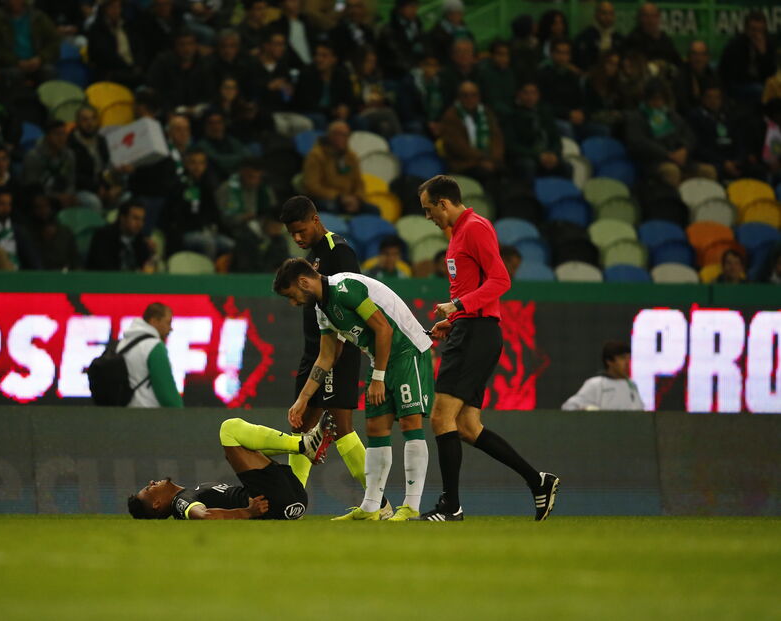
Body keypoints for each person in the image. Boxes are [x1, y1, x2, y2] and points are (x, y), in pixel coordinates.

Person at [416, 175, 558, 521]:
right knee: (465, 426)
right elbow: (477, 287)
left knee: (440, 417)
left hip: (476, 333)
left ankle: (451, 506)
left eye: (428, 209)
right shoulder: (460, 233)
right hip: (470, 328)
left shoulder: (475, 228)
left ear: (444, 203)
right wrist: (454, 318)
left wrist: (459, 306)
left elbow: (501, 280)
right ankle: (538, 481)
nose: (427, 217)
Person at [274, 257, 433, 522]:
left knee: (409, 424)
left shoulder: (345, 288)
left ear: (303, 282)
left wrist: (378, 378)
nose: (293, 303)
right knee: (376, 430)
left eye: (292, 296)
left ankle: (411, 506)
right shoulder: (321, 310)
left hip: (407, 352)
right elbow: (326, 357)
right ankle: (372, 507)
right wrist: (303, 399)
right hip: (379, 359)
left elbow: (384, 330)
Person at [277, 196, 373, 506]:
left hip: (337, 349)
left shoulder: (339, 251)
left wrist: (335, 353)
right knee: (301, 424)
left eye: (301, 231)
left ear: (316, 219)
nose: (297, 238)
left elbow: (353, 298)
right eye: (292, 234)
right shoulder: (315, 255)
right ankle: (293, 499)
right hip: (315, 352)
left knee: (341, 426)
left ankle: (378, 502)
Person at [128, 414, 336, 520]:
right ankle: (303, 446)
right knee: (229, 429)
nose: (151, 482)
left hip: (290, 501)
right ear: (156, 504)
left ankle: (303, 445)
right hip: (271, 503)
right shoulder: (181, 502)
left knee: (241, 448)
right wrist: (247, 512)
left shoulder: (191, 492)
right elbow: (203, 516)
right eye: (149, 489)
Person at [624, 79, 717, 188]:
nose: (658, 103)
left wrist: (684, 149)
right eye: (654, 99)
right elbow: (638, 142)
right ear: (646, 100)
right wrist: (667, 154)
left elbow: (689, 134)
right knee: (671, 171)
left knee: (709, 171)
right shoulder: (636, 117)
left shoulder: (670, 115)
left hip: (680, 159)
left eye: (661, 99)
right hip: (654, 162)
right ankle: (673, 203)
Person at [117, 302, 184, 408]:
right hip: (150, 414)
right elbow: (166, 393)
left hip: (124, 411)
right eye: (168, 323)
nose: (170, 329)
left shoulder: (122, 344)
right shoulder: (154, 346)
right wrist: (181, 413)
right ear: (154, 321)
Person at [439, 80, 504, 188]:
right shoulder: (451, 116)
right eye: (465, 95)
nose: (470, 99)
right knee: (486, 175)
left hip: (489, 160)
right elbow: (458, 147)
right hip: (463, 163)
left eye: (474, 95)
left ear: (479, 97)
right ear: (459, 98)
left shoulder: (486, 113)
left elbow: (497, 138)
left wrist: (494, 159)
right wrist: (482, 159)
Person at [502, 82, 571, 181]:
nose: (530, 97)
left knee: (567, 167)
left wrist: (554, 154)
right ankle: (529, 195)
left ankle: (567, 195)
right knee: (528, 165)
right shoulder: (511, 116)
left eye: (533, 93)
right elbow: (511, 145)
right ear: (519, 95)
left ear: (538, 95)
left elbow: (556, 139)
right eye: (526, 93)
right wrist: (537, 156)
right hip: (527, 155)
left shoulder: (545, 113)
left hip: (547, 154)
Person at [301, 120, 372, 214]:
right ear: (330, 135)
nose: (342, 138)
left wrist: (357, 199)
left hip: (350, 198)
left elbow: (359, 183)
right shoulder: (316, 155)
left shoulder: (351, 157)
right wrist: (339, 197)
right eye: (338, 134)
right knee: (332, 208)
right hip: (324, 198)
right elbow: (311, 186)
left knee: (373, 210)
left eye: (345, 135)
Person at [0, 0, 59, 86]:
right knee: (13, 75)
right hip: (10, 65)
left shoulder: (38, 17)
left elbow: (54, 41)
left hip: (37, 62)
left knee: (49, 72)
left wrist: (40, 58)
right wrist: (16, 62)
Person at [562, 341, 644, 411]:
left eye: (629, 358)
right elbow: (568, 407)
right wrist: (588, 410)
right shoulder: (595, 384)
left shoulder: (631, 385)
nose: (627, 363)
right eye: (622, 358)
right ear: (609, 361)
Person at [719, 11, 776, 107]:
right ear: (746, 29)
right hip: (738, 85)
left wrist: (763, 54)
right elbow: (735, 74)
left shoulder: (768, 45)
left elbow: (771, 73)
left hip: (761, 84)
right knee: (759, 90)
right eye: (753, 30)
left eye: (760, 30)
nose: (757, 34)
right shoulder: (736, 45)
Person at [86, 201, 154, 271]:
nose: (140, 224)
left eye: (142, 220)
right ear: (123, 218)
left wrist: (151, 253)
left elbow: (146, 266)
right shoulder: (103, 237)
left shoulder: (141, 240)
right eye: (135, 218)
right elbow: (103, 268)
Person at [0, 189, 40, 270]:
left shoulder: (17, 231)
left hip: (15, 274)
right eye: (2, 204)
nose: (6, 208)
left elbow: (32, 258)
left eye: (9, 204)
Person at [623, 3, 681, 73]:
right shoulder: (633, 39)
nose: (650, 20)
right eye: (646, 16)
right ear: (640, 18)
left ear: (658, 18)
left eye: (654, 16)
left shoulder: (665, 39)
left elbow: (677, 61)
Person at [572, 1, 622, 73]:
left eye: (611, 13)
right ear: (596, 15)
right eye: (604, 13)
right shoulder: (585, 37)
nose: (607, 17)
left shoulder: (619, 39)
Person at [672, 41, 719, 116]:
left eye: (702, 54)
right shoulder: (681, 77)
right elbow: (683, 106)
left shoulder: (712, 74)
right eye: (695, 54)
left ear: (707, 57)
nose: (699, 58)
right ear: (689, 57)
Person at [476, 39, 517, 117]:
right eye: (500, 54)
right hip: (489, 116)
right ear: (492, 55)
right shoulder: (484, 73)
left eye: (506, 55)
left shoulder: (510, 73)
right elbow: (491, 102)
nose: (504, 58)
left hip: (508, 115)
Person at [428, 0, 473, 66]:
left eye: (459, 13)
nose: (457, 16)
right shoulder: (437, 32)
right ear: (446, 14)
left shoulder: (464, 28)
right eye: (453, 13)